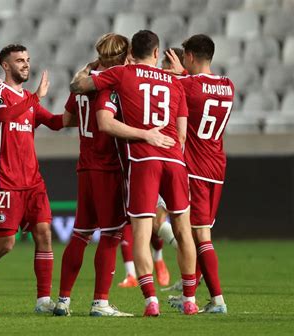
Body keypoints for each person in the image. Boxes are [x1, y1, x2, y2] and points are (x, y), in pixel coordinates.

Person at [70, 30, 199, 316]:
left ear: (133, 52)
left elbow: (79, 86)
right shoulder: (175, 83)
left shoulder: (122, 74)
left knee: (140, 233)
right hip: (175, 161)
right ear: (157, 53)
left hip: (144, 160)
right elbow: (181, 135)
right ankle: (189, 298)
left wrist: (90, 68)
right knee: (184, 231)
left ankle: (151, 300)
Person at [0, 44, 73, 315]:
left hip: (33, 181)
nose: (26, 65)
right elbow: (3, 116)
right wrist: (35, 98)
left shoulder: (28, 100)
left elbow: (57, 122)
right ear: (5, 66)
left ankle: (43, 301)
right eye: (19, 60)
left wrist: (82, 103)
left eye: (28, 60)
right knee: (4, 243)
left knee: (44, 234)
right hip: (4, 180)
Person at [165, 34, 235, 314]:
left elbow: (166, 82)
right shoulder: (228, 86)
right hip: (216, 167)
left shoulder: (186, 86)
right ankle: (191, 294)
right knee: (198, 234)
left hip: (194, 167)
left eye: (184, 56)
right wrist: (182, 73)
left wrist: (176, 73)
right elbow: (193, 83)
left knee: (199, 235)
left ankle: (216, 300)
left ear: (191, 56)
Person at [118, 48, 185, 290]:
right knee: (132, 222)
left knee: (148, 223)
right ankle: (133, 274)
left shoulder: (129, 77)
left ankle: (160, 265)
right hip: (160, 158)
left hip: (145, 159)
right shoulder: (170, 81)